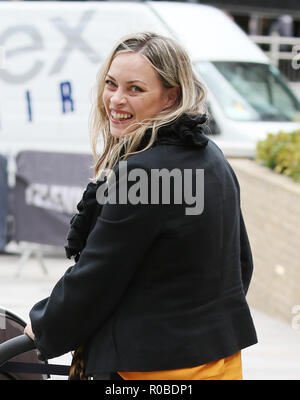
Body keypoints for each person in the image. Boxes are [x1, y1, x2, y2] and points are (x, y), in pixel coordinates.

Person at [24, 31, 257, 380]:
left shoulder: (142, 172)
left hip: (148, 370)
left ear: (170, 97)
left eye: (135, 89)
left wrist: (41, 327)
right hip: (218, 362)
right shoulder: (211, 157)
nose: (116, 100)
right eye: (111, 84)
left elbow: (98, 276)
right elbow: (240, 262)